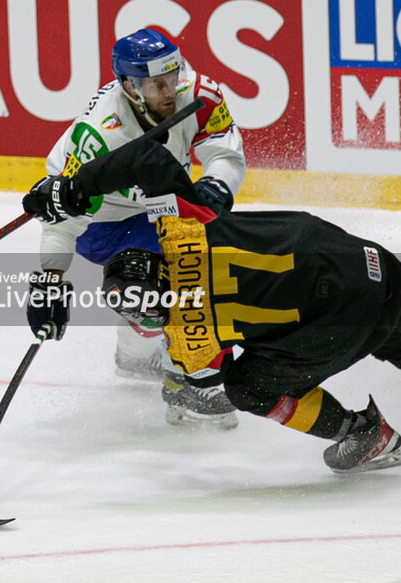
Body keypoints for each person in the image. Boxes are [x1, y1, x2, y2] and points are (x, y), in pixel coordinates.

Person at [24, 134, 401, 473]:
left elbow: (213, 393)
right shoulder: (178, 226)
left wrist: (180, 390)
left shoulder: (187, 340)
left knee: (248, 386)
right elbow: (148, 158)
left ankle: (367, 434)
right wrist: (71, 189)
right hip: (368, 263)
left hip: (342, 321)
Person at [21, 28, 246, 429]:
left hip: (162, 198)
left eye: (173, 77)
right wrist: (50, 278)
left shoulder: (201, 93)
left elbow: (223, 146)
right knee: (146, 289)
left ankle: (173, 365)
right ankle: (159, 356)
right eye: (157, 84)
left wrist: (215, 185)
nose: (169, 91)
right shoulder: (100, 134)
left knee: (199, 268)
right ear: (130, 85)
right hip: (104, 221)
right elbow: (66, 217)